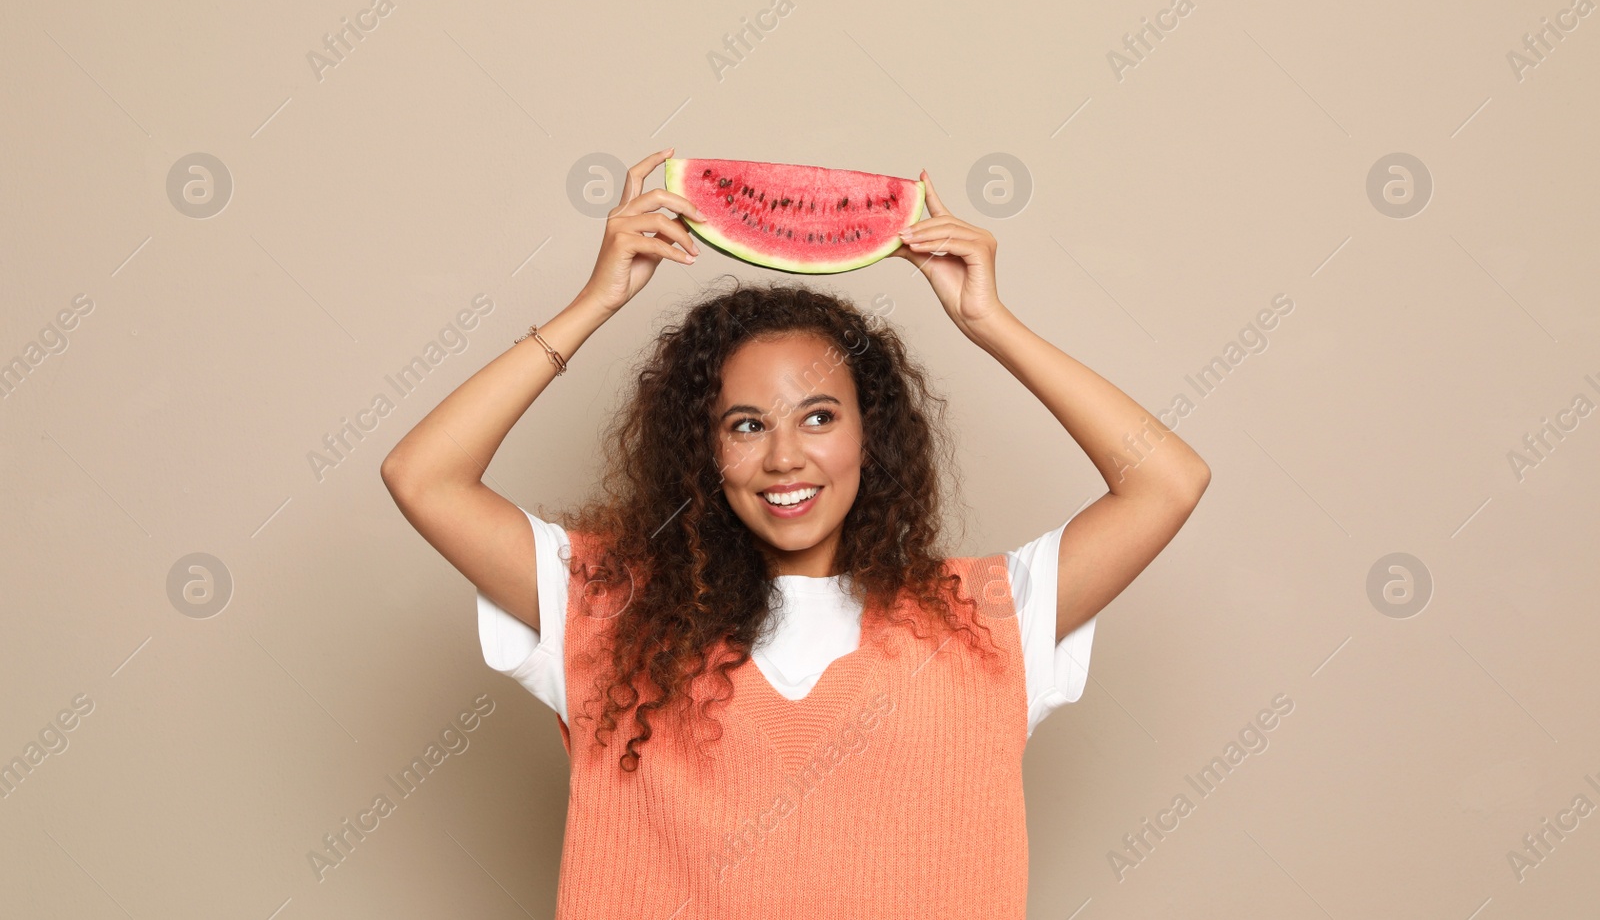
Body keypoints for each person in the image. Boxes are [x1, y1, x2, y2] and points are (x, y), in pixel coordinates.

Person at [380, 148, 1210, 917]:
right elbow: (424, 476)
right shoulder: (608, 605)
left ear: (868, 435)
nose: (785, 457)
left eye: (819, 415)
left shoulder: (986, 615)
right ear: (703, 451)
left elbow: (1167, 481)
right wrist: (592, 302)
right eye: (745, 425)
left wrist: (988, 321)